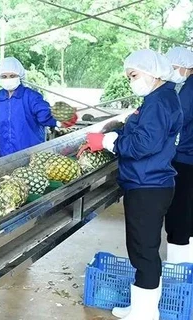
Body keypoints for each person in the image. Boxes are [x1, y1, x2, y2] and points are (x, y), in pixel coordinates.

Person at [78, 49, 181, 320]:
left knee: (144, 250)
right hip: (147, 182)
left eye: (134, 75)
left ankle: (146, 313)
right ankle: (139, 305)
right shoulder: (157, 99)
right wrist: (109, 133)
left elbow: (144, 144)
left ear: (153, 72)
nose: (131, 81)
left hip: (148, 184)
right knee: (139, 247)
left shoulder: (159, 102)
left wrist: (107, 142)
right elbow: (137, 132)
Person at [0, 57, 77, 160]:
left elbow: (45, 115)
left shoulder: (31, 97)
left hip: (31, 156)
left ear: (19, 76)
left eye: (12, 75)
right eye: (4, 76)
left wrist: (62, 120)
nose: (8, 79)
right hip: (5, 157)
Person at [164, 47, 193, 264]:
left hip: (186, 159)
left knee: (179, 215)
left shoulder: (188, 89)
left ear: (184, 66)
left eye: (172, 68)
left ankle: (179, 267)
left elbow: (176, 120)